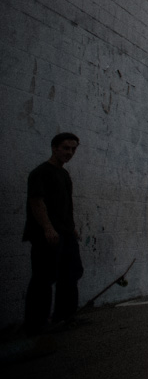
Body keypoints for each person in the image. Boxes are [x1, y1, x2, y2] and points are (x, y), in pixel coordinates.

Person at [23, 133, 84, 334]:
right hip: (46, 235)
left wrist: (72, 227)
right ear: (54, 148)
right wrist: (47, 228)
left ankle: (64, 317)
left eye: (73, 149)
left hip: (65, 233)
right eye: (66, 148)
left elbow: (66, 205)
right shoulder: (40, 173)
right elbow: (36, 202)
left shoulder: (64, 175)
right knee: (44, 278)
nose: (70, 153)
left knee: (71, 274)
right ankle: (35, 324)